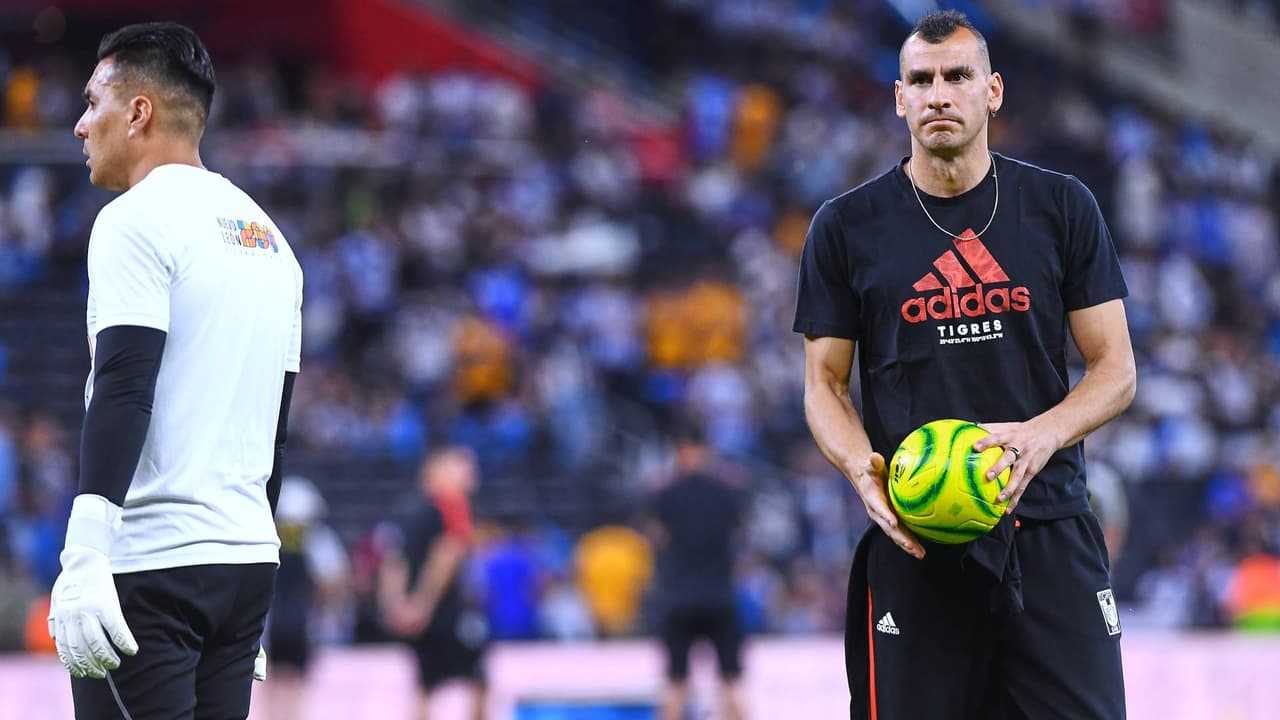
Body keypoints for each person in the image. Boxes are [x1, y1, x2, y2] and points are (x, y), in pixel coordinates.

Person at [794, 10, 1136, 720]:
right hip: (919, 540)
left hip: (1046, 527)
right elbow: (824, 384)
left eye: (957, 77)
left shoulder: (1060, 206)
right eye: (920, 80)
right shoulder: (846, 227)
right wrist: (861, 466)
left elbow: (1116, 370)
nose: (938, 94)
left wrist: (1042, 435)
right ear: (899, 98)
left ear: (993, 91)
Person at [48, 22, 303, 719]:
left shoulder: (135, 220)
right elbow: (273, 435)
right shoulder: (274, 243)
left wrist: (86, 554)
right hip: (246, 565)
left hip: (151, 569)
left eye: (92, 102)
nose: (78, 126)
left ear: (138, 113)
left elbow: (126, 384)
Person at [378, 446, 488, 720]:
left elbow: (394, 561)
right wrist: (423, 604)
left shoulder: (406, 508)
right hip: (443, 613)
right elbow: (448, 552)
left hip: (416, 617)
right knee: (479, 682)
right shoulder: (451, 503)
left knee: (425, 687)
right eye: (461, 467)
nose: (471, 474)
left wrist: (394, 606)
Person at [648, 421, 747, 720]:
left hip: (679, 596)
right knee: (730, 679)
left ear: (679, 452)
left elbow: (655, 538)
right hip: (719, 595)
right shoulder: (726, 493)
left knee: (676, 682)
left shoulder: (665, 495)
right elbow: (739, 538)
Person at [264, 475, 350, 720]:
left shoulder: (269, 536)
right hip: (301, 623)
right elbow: (333, 581)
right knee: (296, 686)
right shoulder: (318, 539)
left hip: (274, 624)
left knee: (273, 681)